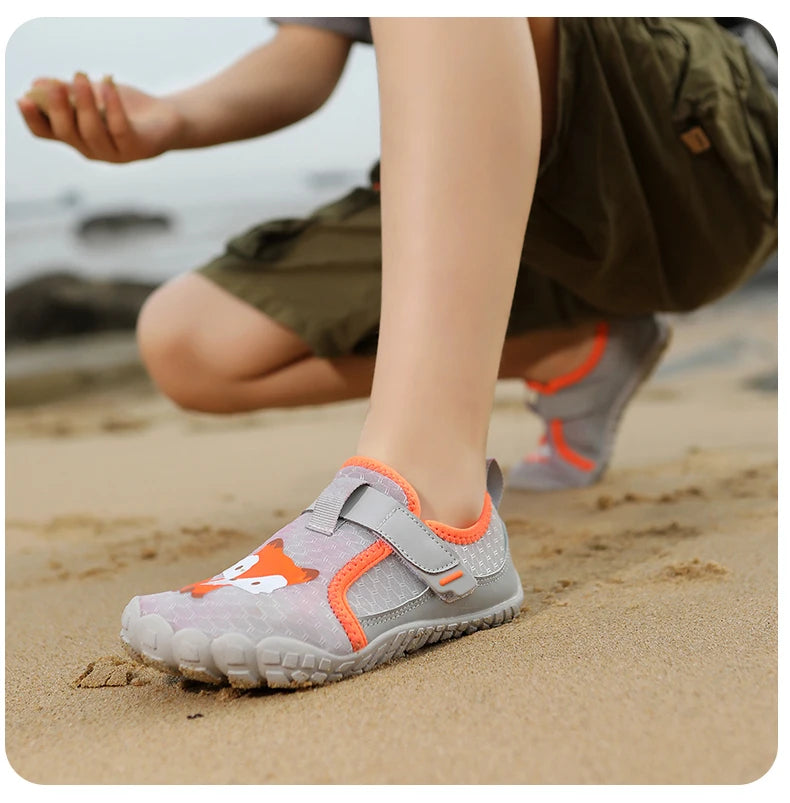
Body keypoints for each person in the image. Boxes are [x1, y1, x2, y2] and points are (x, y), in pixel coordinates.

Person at [19, 18, 777, 687]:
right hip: (509, 173)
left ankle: (435, 503)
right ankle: (574, 347)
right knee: (189, 340)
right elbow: (307, 53)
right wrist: (172, 117)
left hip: (699, 151)